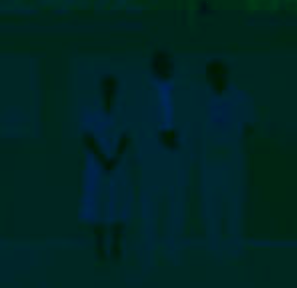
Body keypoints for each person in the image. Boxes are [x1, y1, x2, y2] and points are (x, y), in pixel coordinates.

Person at [200, 59, 255, 259]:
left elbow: (250, 126)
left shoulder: (241, 98)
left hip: (233, 160)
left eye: (220, 73)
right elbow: (195, 129)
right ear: (208, 77)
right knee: (211, 206)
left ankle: (235, 248)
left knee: (234, 205)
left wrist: (233, 144)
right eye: (213, 75)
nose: (217, 78)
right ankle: (214, 249)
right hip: (209, 161)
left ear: (226, 74)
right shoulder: (201, 100)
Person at [139, 50, 189, 270]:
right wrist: (158, 138)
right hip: (152, 157)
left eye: (168, 64)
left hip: (176, 155)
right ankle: (149, 252)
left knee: (176, 205)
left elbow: (190, 120)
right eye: (161, 64)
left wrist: (178, 140)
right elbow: (138, 124)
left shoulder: (182, 91)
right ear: (154, 67)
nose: (166, 68)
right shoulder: (142, 93)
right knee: (150, 206)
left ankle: (172, 251)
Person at [80, 75, 133, 262]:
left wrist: (115, 158)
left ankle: (116, 243)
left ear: (116, 90)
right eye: (106, 87)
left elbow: (126, 137)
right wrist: (102, 159)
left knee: (119, 203)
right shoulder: (91, 111)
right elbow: (88, 138)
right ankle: (100, 245)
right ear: (101, 89)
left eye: (112, 87)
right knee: (97, 204)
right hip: (97, 166)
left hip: (118, 165)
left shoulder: (123, 111)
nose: (109, 90)